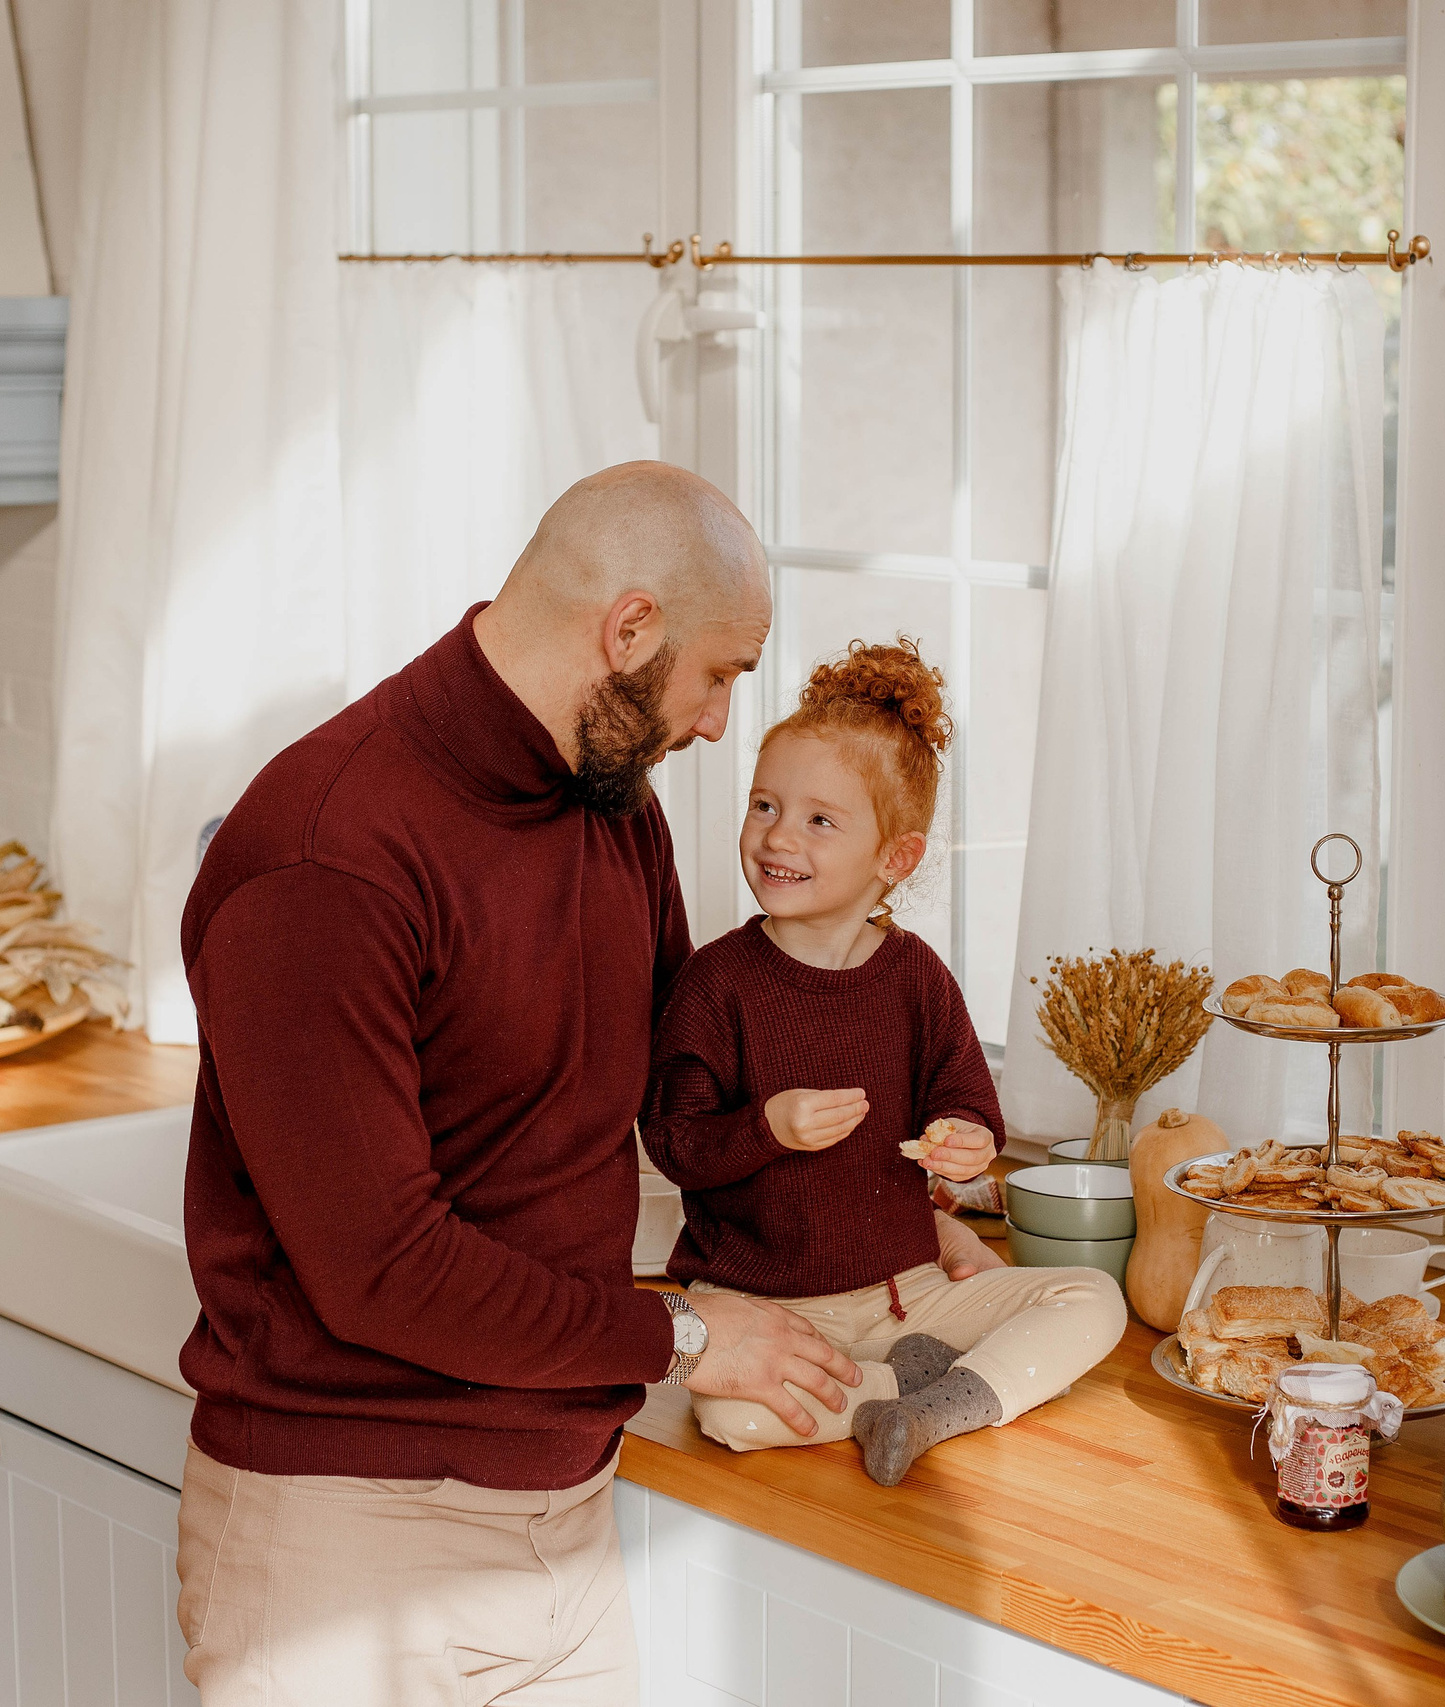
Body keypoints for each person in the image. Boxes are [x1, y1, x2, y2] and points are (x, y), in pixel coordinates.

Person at [172, 465, 996, 1707]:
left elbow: (691, 1096)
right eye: (719, 674)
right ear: (629, 631)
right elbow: (379, 1268)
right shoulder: (326, 858)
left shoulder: (613, 813)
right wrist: (679, 1334)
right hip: (348, 1548)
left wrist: (899, 1214)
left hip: (563, 1517)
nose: (720, 722)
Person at [641, 639, 1130, 1487]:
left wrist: (967, 1141)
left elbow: (970, 1102)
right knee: (730, 1416)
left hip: (912, 1294)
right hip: (766, 1312)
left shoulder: (914, 977)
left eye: (819, 819)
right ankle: (906, 1387)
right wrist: (768, 1127)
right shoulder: (715, 983)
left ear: (894, 858)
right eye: (764, 805)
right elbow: (673, 1141)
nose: (778, 835)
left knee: (1094, 1299)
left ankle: (928, 1406)